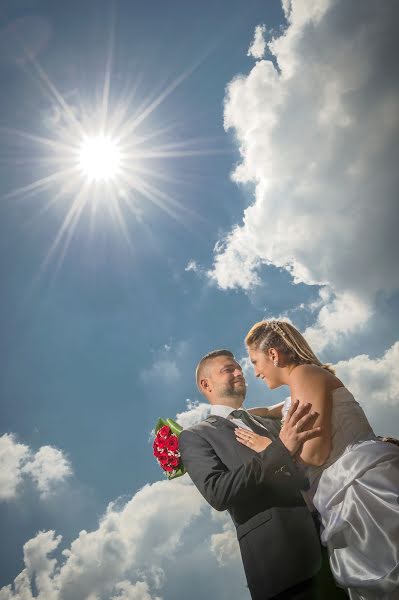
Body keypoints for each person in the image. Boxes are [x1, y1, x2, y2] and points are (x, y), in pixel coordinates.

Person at [237, 320, 399, 600]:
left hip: (359, 487)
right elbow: (265, 411)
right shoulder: (301, 385)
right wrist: (222, 420)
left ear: (273, 355)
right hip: (341, 489)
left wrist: (272, 447)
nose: (256, 372)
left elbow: (315, 454)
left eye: (255, 361)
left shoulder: (303, 374)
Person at [179, 349, 323, 599]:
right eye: (228, 370)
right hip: (282, 564)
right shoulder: (196, 435)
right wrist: (279, 451)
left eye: (239, 368)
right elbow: (218, 493)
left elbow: (304, 471)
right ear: (206, 384)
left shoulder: (272, 424)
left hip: (329, 545)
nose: (239, 372)